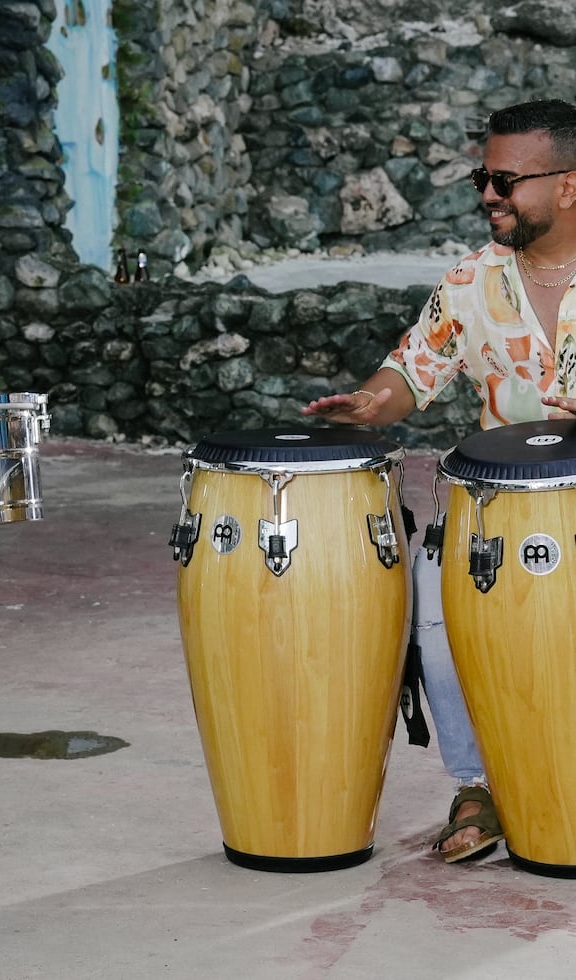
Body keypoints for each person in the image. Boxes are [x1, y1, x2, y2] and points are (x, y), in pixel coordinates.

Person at [302, 98, 576, 862]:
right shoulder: (469, 282)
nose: (488, 193)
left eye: (505, 179)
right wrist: (369, 402)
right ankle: (478, 787)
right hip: (501, 507)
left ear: (568, 185)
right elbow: (408, 372)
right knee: (433, 595)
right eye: (482, 178)